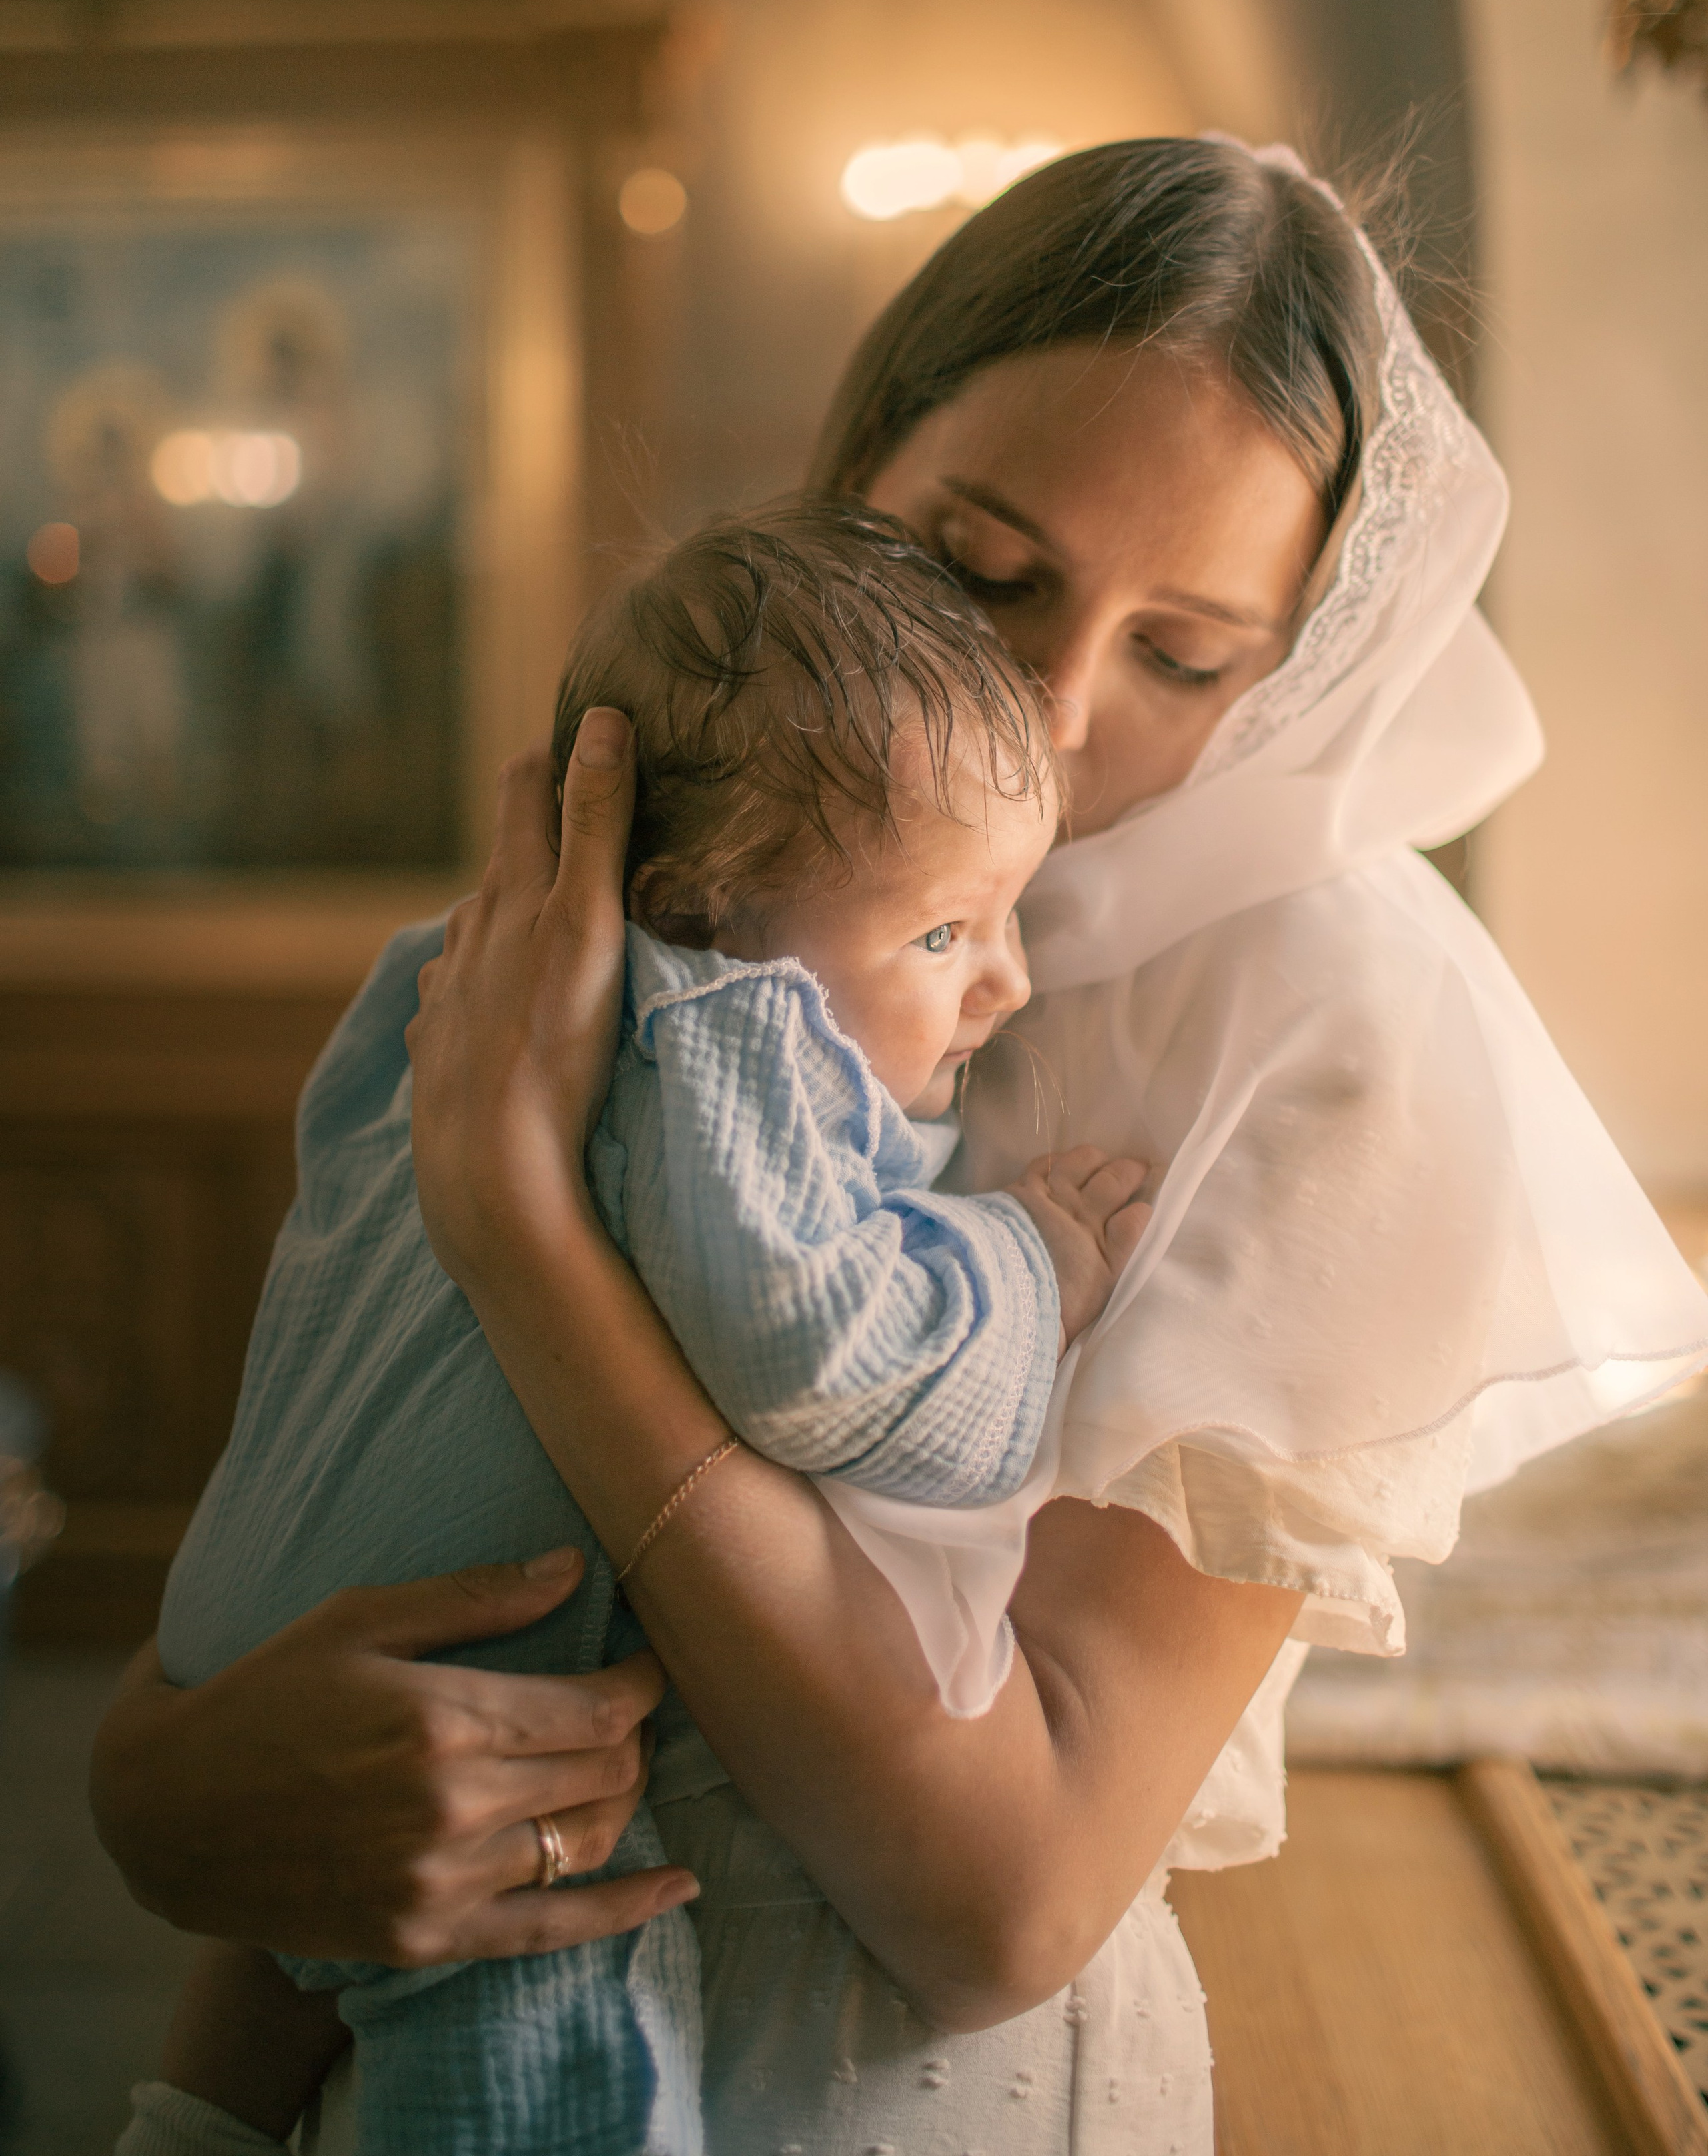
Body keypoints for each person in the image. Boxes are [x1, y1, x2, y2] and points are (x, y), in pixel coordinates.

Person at [92, 137, 1708, 2155]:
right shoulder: (716, 838)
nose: (1050, 701)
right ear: (861, 471)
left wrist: (525, 1231)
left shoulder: (1338, 1028)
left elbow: (994, 1902)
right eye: (989, 569)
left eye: (1185, 654)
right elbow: (376, 1473)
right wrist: (158, 1798)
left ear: (1298, 667)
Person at [118, 504, 1150, 2156]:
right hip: (479, 1696)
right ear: (708, 906)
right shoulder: (730, 1030)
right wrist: (1028, 1264)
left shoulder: (454, 975)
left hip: (256, 1611)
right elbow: (832, 1364)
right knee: (551, 2047)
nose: (1006, 983)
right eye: (944, 931)